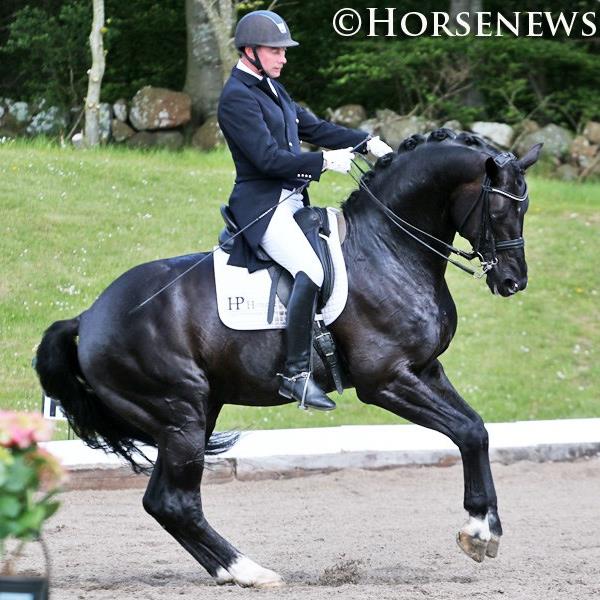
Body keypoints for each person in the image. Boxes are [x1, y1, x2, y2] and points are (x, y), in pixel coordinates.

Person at [217, 10, 392, 411]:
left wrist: (366, 142)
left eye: (283, 51)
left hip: (293, 201)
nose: (283, 58)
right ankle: (296, 375)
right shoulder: (237, 97)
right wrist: (323, 163)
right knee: (310, 271)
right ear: (250, 51)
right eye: (275, 51)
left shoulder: (272, 89)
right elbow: (266, 159)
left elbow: (314, 128)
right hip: (262, 207)